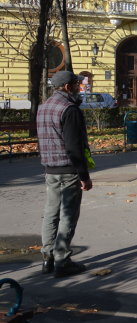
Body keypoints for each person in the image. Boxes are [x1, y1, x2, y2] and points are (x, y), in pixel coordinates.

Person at [38, 71, 93, 278]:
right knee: (68, 215)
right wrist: (84, 176)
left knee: (51, 212)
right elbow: (74, 147)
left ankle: (47, 258)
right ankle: (62, 259)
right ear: (68, 87)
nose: (79, 88)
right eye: (76, 85)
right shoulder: (69, 109)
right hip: (68, 170)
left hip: (49, 168)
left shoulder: (43, 107)